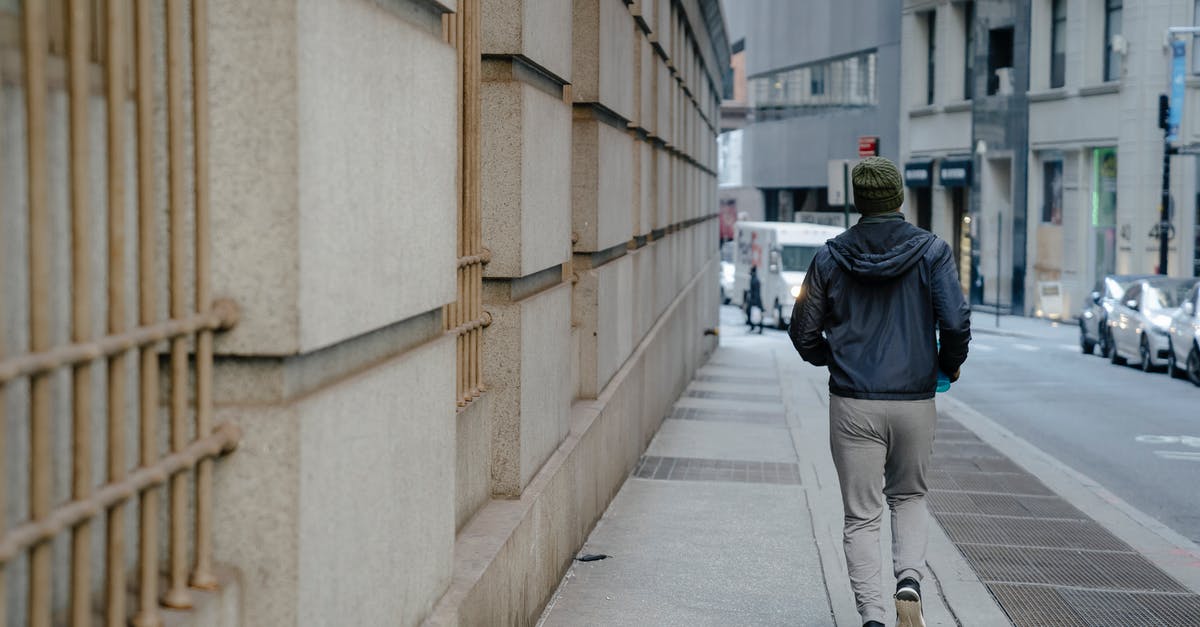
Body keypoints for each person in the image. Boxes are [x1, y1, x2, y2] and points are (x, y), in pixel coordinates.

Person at [788, 157, 970, 627]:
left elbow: (803, 330)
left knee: (861, 516)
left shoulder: (829, 256)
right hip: (914, 399)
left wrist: (832, 359)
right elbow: (954, 323)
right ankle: (908, 581)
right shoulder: (933, 252)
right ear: (898, 198)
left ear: (858, 201)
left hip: (853, 402)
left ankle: (872, 617)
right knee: (908, 496)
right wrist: (943, 367)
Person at [747, 265, 764, 334]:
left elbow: (755, 292)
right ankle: (756, 327)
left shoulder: (754, 280)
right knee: (756, 314)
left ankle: (757, 327)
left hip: (755, 300)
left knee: (754, 314)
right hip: (756, 299)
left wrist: (755, 301)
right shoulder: (754, 279)